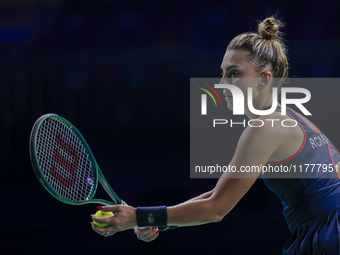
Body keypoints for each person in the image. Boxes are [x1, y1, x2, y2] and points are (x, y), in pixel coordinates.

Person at [91, 17, 340, 253]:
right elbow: (217, 193)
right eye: (222, 72)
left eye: (234, 73)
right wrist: (154, 218)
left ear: (264, 80)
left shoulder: (265, 127)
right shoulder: (289, 115)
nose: (222, 83)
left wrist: (138, 216)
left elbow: (216, 209)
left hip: (329, 234)